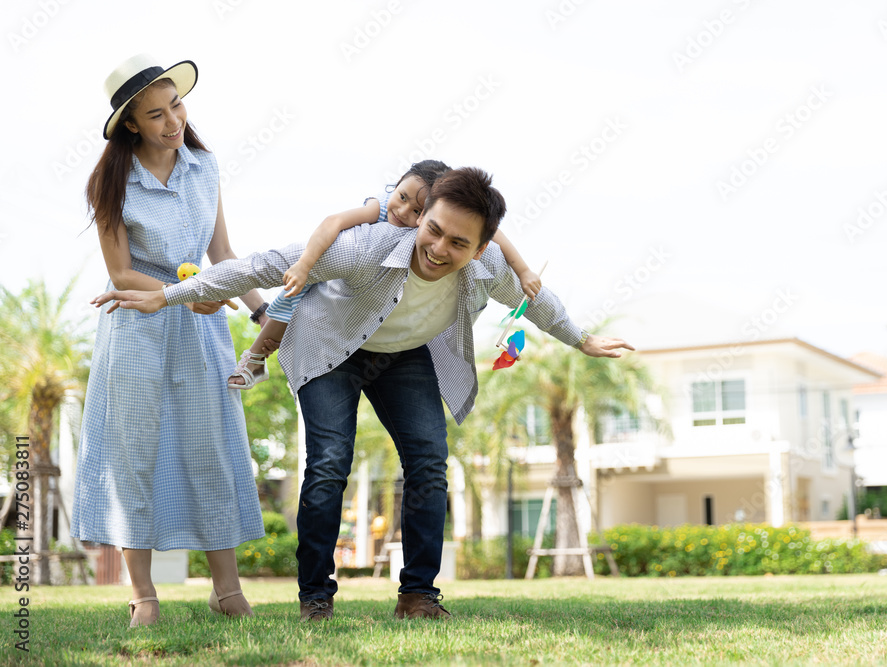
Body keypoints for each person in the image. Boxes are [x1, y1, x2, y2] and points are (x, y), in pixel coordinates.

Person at [92, 167, 634, 622]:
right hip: (332, 347)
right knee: (330, 462)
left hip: (406, 355)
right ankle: (316, 599)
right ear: (422, 217)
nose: (439, 249)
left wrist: (582, 340)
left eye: (459, 243)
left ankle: (419, 595)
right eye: (435, 230)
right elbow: (259, 264)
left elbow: (539, 302)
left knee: (428, 461)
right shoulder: (368, 245)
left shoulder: (489, 267)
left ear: (483, 248)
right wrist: (167, 295)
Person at [72, 54, 266, 627]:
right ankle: (143, 597)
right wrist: (187, 293)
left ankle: (226, 590)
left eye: (176, 105)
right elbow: (122, 273)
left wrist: (262, 316)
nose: (171, 121)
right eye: (155, 115)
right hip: (135, 329)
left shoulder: (204, 168)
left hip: (202, 329)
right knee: (134, 454)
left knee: (210, 450)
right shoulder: (109, 182)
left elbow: (223, 256)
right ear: (131, 123)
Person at [227, 160, 543, 389]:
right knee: (284, 311)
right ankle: (255, 359)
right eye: (402, 197)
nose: (403, 212)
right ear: (397, 185)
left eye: (418, 211)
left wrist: (524, 270)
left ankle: (261, 352)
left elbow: (495, 236)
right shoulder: (379, 209)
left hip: (364, 300)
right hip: (329, 276)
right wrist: (305, 264)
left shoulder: (438, 232)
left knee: (285, 317)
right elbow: (332, 222)